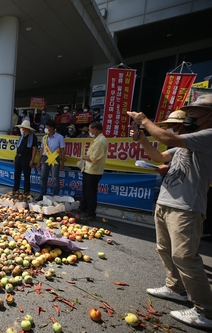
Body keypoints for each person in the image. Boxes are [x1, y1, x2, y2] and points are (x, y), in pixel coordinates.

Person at [127, 94, 212, 329]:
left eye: (195, 112)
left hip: (187, 206)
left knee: (185, 257)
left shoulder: (208, 136)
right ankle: (175, 288)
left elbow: (167, 137)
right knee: (164, 248)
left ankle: (207, 311)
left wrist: (144, 121)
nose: (190, 116)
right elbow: (160, 155)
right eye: (190, 111)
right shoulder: (186, 139)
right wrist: (143, 139)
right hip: (166, 202)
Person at [78, 121, 108, 221]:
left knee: (91, 193)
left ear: (95, 130)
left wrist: (84, 157)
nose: (89, 132)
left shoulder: (101, 141)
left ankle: (91, 213)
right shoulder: (97, 139)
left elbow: (94, 158)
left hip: (94, 171)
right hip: (89, 169)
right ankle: (84, 208)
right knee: (86, 192)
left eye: (90, 130)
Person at [36, 120, 65, 200]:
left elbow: (62, 150)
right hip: (45, 158)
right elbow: (42, 150)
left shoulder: (60, 137)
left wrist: (62, 162)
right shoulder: (44, 138)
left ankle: (56, 196)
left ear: (52, 128)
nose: (45, 129)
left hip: (55, 159)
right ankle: (42, 195)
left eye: (47, 127)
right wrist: (39, 161)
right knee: (43, 177)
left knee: (55, 178)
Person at [12, 120, 38, 195]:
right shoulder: (22, 136)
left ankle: (26, 191)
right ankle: (15, 189)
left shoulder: (33, 137)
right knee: (17, 174)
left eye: (23, 127)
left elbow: (34, 149)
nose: (22, 129)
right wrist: (15, 157)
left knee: (26, 175)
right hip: (19, 156)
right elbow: (18, 147)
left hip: (26, 157)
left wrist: (32, 160)